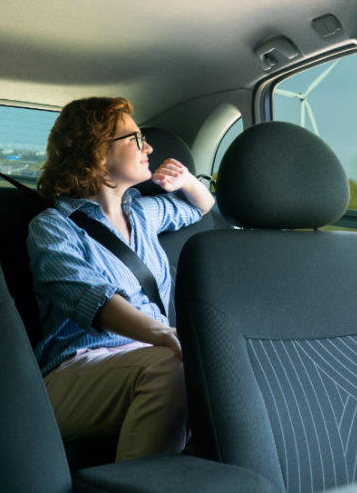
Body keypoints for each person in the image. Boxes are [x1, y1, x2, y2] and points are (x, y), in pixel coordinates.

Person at [27, 96, 215, 462]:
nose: (149, 147)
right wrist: (166, 334)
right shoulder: (52, 227)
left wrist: (188, 180)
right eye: (135, 138)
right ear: (98, 153)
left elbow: (201, 207)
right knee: (174, 365)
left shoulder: (144, 214)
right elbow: (92, 298)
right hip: (77, 369)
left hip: (149, 356)